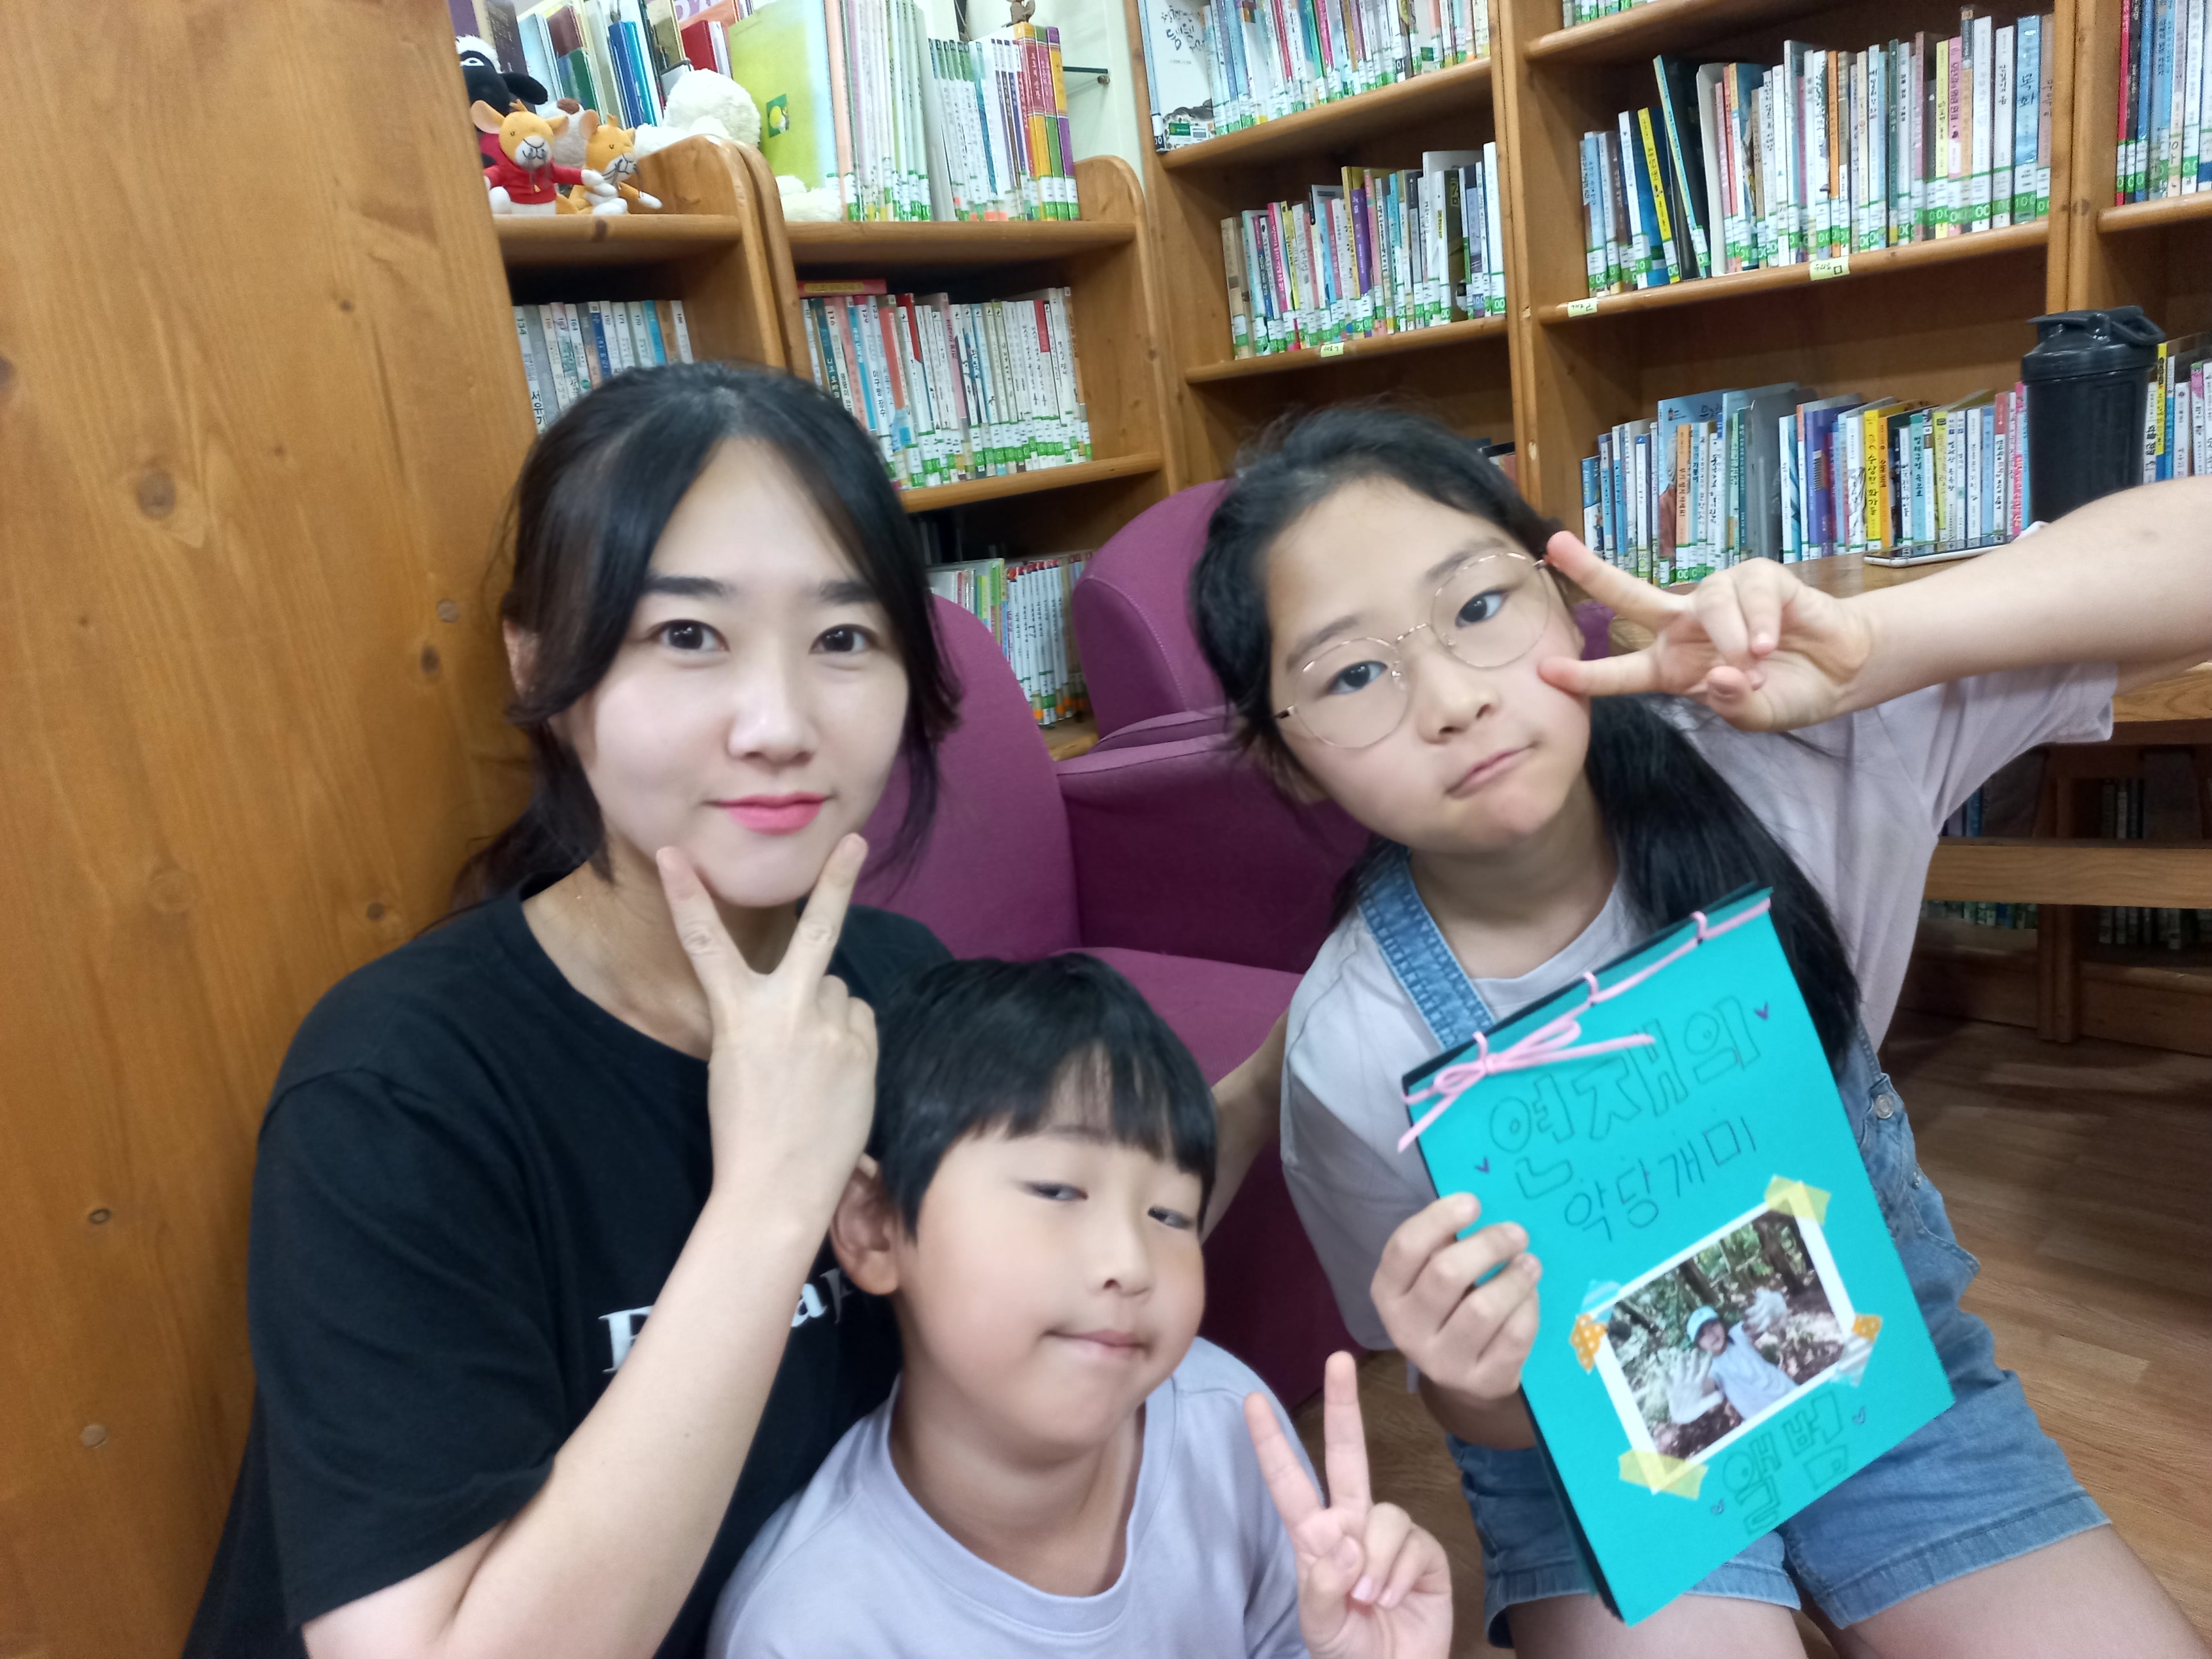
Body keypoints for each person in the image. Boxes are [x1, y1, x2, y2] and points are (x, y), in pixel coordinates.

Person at [178, 361, 1282, 1659]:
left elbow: (1082, 1236)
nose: (777, 724)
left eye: (843, 639)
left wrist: (1289, 1070)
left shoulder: (897, 982)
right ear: (542, 667)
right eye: (687, 636)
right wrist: (767, 1200)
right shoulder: (400, 1091)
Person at [1188, 405, 2212, 1658]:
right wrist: (1465, 1376)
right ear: (1286, 760)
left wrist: (1882, 642)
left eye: (1476, 605)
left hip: (1877, 1370)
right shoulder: (1350, 1049)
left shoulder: (1787, 754)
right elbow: (1494, 1417)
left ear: (1563, 597)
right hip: (1593, 1462)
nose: (1450, 699)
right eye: (1351, 674)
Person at [707, 954, 1452, 1659]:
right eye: (1058, 1191)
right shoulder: (811, 1628)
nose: (1130, 1263)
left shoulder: (1228, 1423)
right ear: (876, 1226)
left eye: (1170, 1215)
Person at [1686, 1305, 1794, 1422]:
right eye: (1703, 1334)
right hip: (1765, 1420)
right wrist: (1694, 1391)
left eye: (1713, 1325)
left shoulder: (1738, 1334)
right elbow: (1707, 1386)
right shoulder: (1711, 1369)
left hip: (1790, 1394)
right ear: (1699, 1345)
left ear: (1721, 1324)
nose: (1711, 1335)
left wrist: (1770, 1309)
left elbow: (1757, 1325)